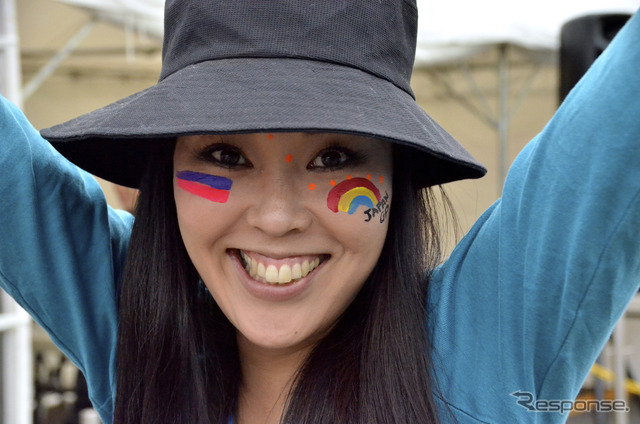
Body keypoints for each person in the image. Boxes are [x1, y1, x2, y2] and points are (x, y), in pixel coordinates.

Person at [1, 1, 639, 423]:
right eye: (225, 154)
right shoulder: (135, 322)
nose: (277, 217)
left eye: (334, 158)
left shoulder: (485, 344)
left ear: (398, 176)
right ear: (164, 171)